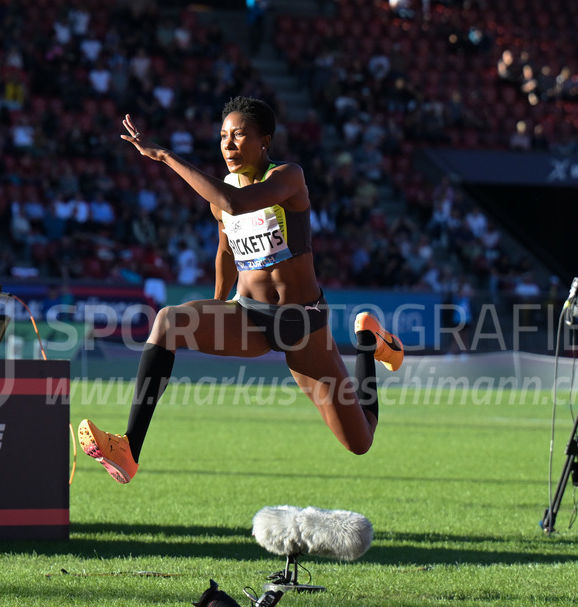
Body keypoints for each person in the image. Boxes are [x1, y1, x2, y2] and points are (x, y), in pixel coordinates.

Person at [77, 96, 404, 484]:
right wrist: (216, 308)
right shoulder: (223, 192)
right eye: (223, 136)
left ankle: (369, 340)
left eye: (239, 135)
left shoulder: (286, 178)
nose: (228, 144)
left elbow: (235, 204)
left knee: (359, 442)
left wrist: (164, 155)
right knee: (168, 322)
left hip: (302, 324)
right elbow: (226, 250)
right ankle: (129, 448)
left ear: (264, 141)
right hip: (248, 314)